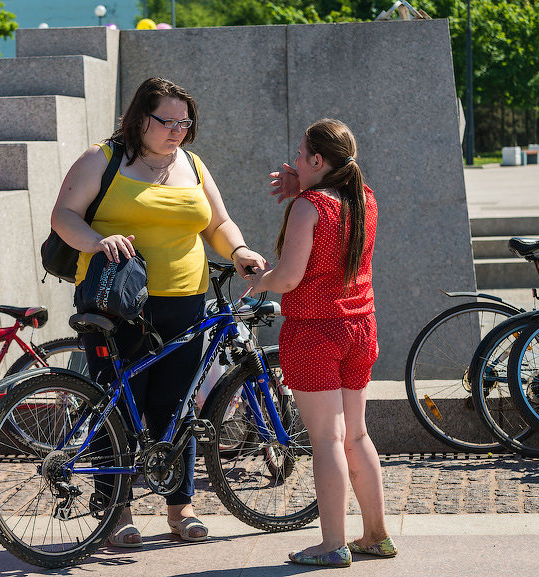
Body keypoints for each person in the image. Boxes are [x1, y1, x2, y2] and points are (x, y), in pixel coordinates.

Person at [50, 76, 266, 548]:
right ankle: (115, 510)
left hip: (186, 300)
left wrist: (240, 251)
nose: (176, 131)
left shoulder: (192, 164)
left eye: (184, 122)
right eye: (166, 121)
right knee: (119, 403)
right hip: (117, 303)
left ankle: (180, 507)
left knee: (177, 405)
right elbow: (63, 214)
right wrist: (97, 241)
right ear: (139, 118)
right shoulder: (102, 159)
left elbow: (218, 222)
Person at [248, 118, 394, 567]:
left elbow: (290, 277)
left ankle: (332, 544)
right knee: (356, 435)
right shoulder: (363, 199)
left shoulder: (309, 207)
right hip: (360, 327)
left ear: (316, 159)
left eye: (299, 154)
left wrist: (257, 283)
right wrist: (302, 186)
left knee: (326, 440)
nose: (292, 160)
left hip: (315, 332)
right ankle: (376, 535)